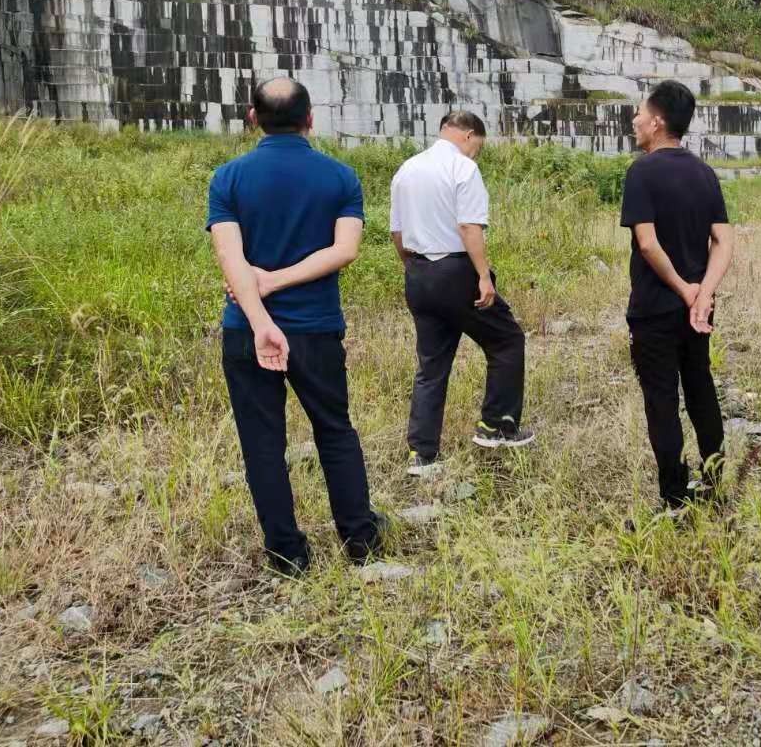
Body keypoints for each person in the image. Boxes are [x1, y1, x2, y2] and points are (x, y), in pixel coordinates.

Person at [207, 78, 385, 576]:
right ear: (310, 119)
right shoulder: (340, 177)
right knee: (335, 430)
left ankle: (287, 555)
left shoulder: (228, 178)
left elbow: (231, 260)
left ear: (252, 118)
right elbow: (345, 250)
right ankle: (360, 539)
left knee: (262, 444)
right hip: (316, 330)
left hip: (247, 332)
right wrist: (279, 282)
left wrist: (260, 314)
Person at [391, 111, 533, 477]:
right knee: (507, 340)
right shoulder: (463, 169)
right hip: (455, 272)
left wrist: (413, 267)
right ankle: (497, 426)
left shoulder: (407, 169)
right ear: (469, 135)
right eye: (477, 147)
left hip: (418, 272)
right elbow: (469, 226)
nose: (475, 154)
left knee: (431, 365)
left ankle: (422, 455)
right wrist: (483, 276)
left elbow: (397, 232)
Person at [620, 80, 734, 511]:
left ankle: (674, 498)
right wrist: (703, 294)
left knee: (662, 401)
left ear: (657, 121)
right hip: (697, 312)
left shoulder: (642, 172)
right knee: (700, 386)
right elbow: (723, 240)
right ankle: (714, 482)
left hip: (655, 308)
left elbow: (647, 244)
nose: (634, 121)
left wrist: (685, 289)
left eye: (639, 113)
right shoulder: (704, 173)